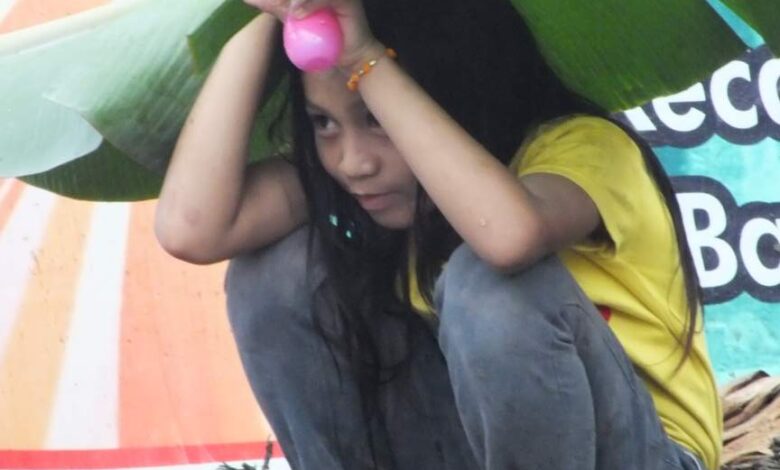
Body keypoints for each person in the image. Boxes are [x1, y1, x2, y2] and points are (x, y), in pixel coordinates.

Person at [154, 0, 723, 468]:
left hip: (642, 453)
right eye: (324, 123)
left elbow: (506, 237)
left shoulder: (585, 150)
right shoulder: (361, 180)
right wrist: (270, 18)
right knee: (270, 273)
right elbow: (191, 229)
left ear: (459, 92)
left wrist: (366, 57)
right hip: (461, 448)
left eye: (376, 119)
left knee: (492, 284)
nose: (354, 162)